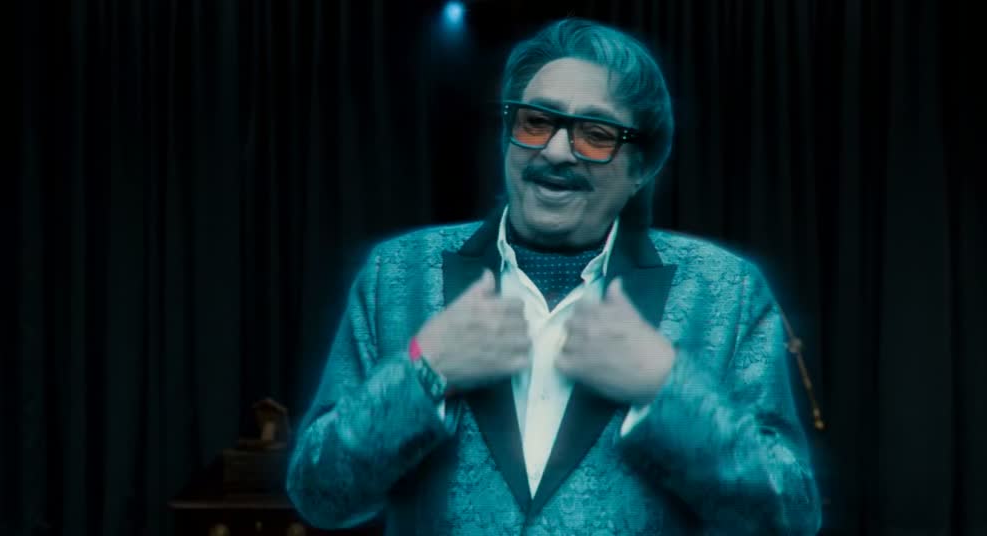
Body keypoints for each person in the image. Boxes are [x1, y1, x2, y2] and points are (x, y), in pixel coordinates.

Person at [286, 18, 821, 535]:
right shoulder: (396, 274)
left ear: (641, 168)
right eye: (536, 122)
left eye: (596, 133)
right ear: (507, 135)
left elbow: (789, 513)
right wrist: (426, 372)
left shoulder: (725, 292)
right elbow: (318, 494)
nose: (557, 151)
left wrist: (664, 389)